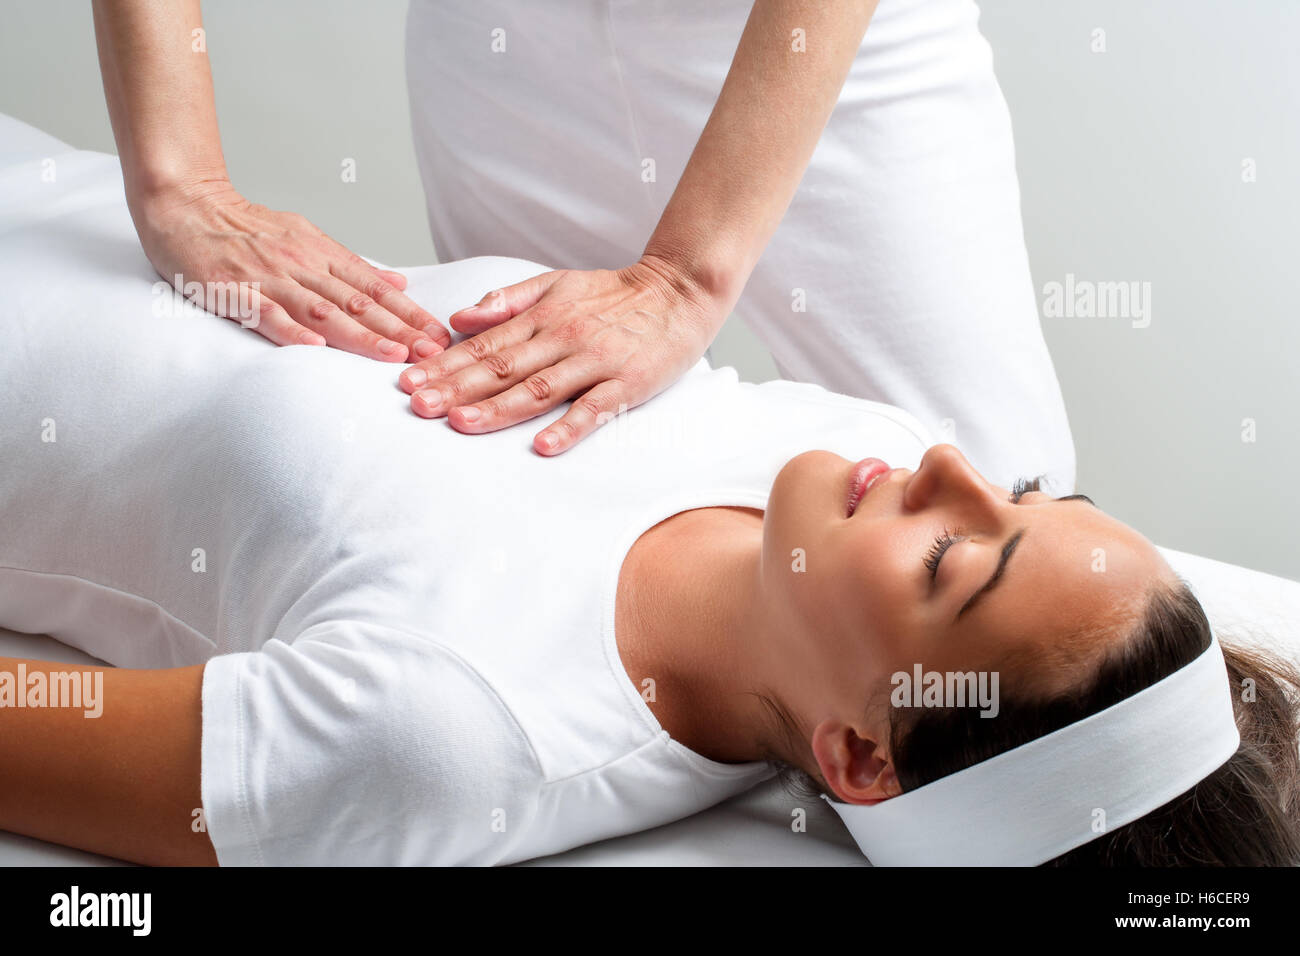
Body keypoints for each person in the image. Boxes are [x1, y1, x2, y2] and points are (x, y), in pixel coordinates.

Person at [0, 218, 1295, 864]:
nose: (949, 469)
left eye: (958, 565)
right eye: (1024, 500)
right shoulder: (848, 438)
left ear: (857, 755)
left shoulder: (458, 728)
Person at [92, 0, 1075, 491]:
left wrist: (685, 275)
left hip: (809, 35)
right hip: (502, 37)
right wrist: (181, 180)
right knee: (516, 444)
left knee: (998, 488)